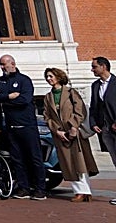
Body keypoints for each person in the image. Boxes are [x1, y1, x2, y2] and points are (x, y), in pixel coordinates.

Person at [0, 54, 46, 200]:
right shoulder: (0, 81)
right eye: (0, 64)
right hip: (11, 127)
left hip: (27, 126)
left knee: (35, 158)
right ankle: (24, 187)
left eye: (4, 64)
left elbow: (25, 100)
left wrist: (5, 100)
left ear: (12, 63)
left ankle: (40, 189)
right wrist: (8, 97)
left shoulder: (24, 80)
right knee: (17, 159)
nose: (2, 67)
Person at [43, 67, 98, 202]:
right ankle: (79, 191)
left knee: (80, 162)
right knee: (68, 164)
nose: (49, 79)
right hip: (60, 135)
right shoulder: (48, 97)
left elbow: (80, 110)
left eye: (51, 76)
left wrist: (74, 126)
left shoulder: (71, 92)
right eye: (47, 77)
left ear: (58, 77)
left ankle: (85, 191)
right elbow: (47, 116)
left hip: (75, 133)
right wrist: (57, 131)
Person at [89, 56, 116, 201]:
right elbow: (94, 106)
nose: (92, 69)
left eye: (94, 67)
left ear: (103, 67)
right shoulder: (95, 85)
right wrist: (93, 123)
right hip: (105, 128)